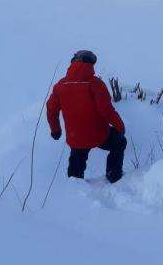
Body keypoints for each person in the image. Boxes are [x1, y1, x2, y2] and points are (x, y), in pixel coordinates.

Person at [46, 50, 127, 183]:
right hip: (99, 134)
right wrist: (120, 126)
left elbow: (51, 110)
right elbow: (106, 110)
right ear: (90, 65)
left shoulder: (60, 86)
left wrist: (55, 130)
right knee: (120, 142)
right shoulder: (96, 84)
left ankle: (74, 189)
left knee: (76, 165)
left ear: (73, 63)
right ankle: (113, 175)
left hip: (75, 137)